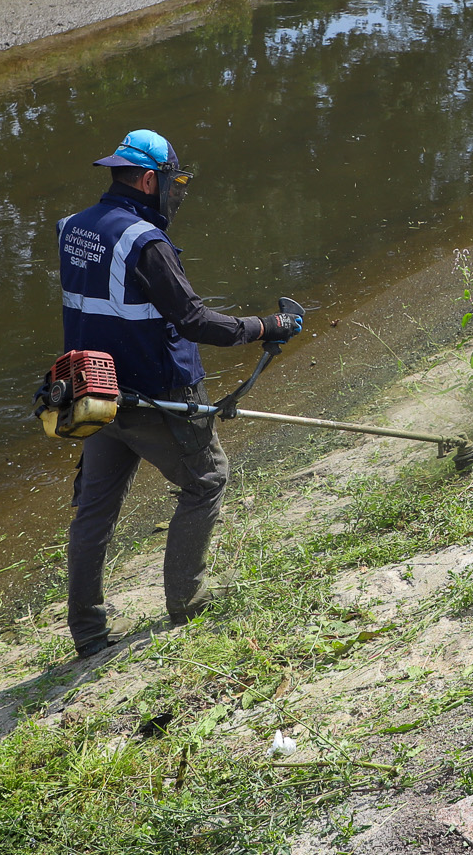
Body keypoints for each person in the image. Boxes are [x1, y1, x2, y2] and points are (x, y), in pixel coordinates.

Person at [57, 128, 302, 658]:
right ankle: (188, 604)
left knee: (95, 511)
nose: (176, 193)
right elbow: (193, 321)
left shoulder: (74, 228)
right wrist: (268, 324)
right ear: (148, 180)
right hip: (156, 397)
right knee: (208, 481)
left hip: (94, 395)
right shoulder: (145, 242)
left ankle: (89, 635)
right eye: (173, 182)